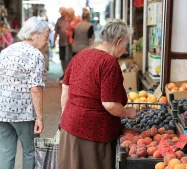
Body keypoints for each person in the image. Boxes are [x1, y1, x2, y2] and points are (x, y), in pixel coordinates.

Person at [57, 19, 136, 169]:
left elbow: (65, 87)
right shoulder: (109, 62)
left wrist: (65, 112)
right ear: (118, 41)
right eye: (125, 44)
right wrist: (128, 112)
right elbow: (110, 104)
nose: (125, 50)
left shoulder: (81, 55)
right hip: (94, 133)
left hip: (70, 126)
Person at [0, 16, 49, 169]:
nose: (47, 41)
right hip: (22, 113)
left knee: (7, 151)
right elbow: (35, 89)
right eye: (46, 37)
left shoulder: (7, 50)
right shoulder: (36, 55)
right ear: (34, 34)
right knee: (30, 151)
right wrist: (39, 118)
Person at [53, 7, 69, 81]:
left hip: (69, 43)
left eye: (61, 12)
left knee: (68, 59)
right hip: (62, 43)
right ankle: (64, 73)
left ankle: (69, 74)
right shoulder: (59, 20)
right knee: (62, 58)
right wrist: (54, 42)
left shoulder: (70, 19)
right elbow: (56, 32)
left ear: (65, 12)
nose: (60, 13)